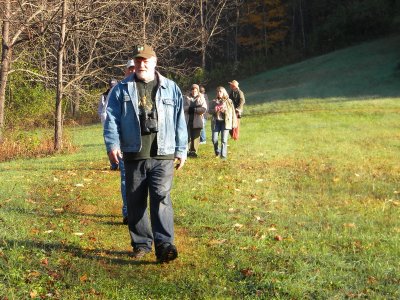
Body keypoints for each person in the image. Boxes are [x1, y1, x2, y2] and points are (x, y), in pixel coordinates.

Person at [103, 44, 187, 263]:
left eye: (146, 60)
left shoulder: (171, 87)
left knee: (161, 197)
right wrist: (112, 145)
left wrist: (181, 149)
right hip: (133, 153)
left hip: (163, 153)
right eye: (138, 60)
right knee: (135, 200)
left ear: (154, 62)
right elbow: (110, 118)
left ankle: (165, 245)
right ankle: (141, 244)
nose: (141, 64)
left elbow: (180, 120)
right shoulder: (121, 89)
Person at [209, 86, 237, 159]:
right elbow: (209, 111)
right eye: (217, 92)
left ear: (224, 92)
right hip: (216, 122)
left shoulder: (229, 101)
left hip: (225, 122)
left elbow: (233, 112)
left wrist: (224, 110)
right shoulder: (213, 101)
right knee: (214, 139)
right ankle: (217, 151)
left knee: (224, 140)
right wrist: (215, 110)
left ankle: (223, 156)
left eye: (220, 91)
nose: (219, 93)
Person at [184, 84, 207, 157]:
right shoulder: (185, 98)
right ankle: (186, 151)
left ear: (198, 91)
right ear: (191, 91)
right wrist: (188, 108)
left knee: (195, 136)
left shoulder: (201, 98)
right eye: (192, 90)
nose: (194, 91)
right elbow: (182, 107)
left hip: (197, 120)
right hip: (187, 120)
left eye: (195, 90)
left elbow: (204, 109)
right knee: (186, 136)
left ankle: (193, 152)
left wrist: (195, 110)